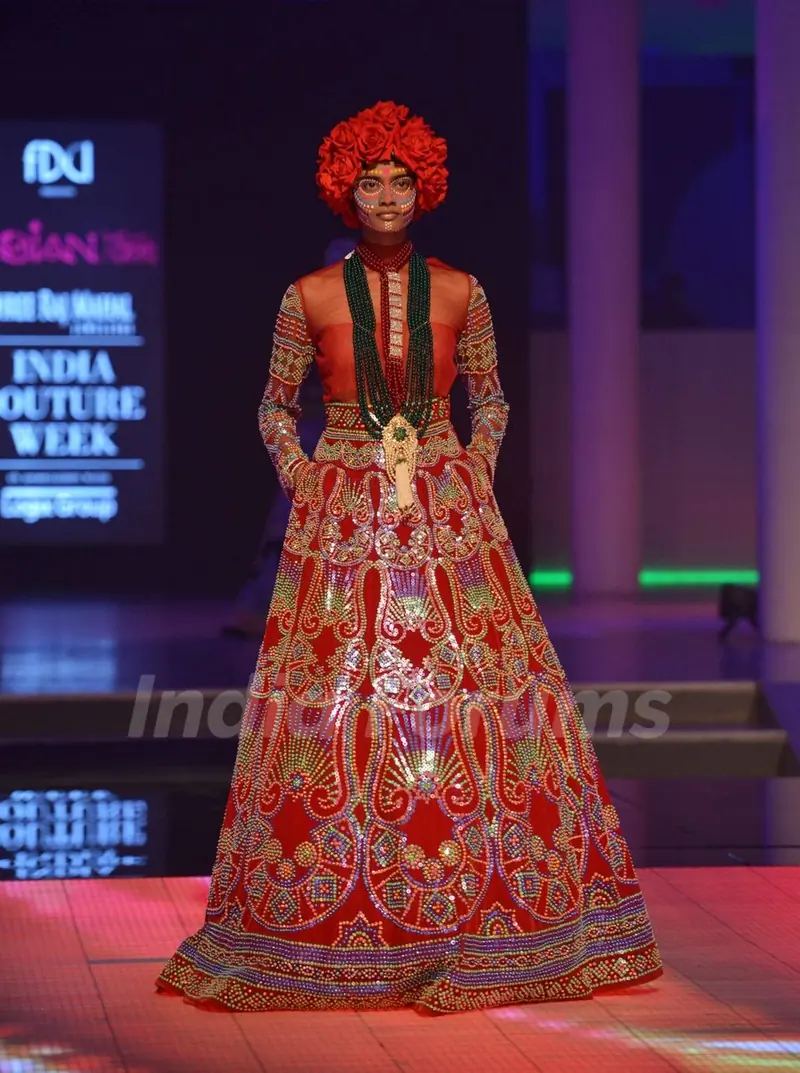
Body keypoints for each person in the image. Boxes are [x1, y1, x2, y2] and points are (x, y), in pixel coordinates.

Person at [157, 101, 662, 1013]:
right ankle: (333, 899)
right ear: (344, 192)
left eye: (400, 181)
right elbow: (274, 404)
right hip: (346, 497)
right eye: (369, 182)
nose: (386, 196)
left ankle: (478, 897)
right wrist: (305, 477)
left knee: (475, 696)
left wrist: (474, 463)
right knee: (337, 697)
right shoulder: (306, 295)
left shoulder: (462, 288)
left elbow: (495, 396)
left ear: (423, 189)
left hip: (441, 492)